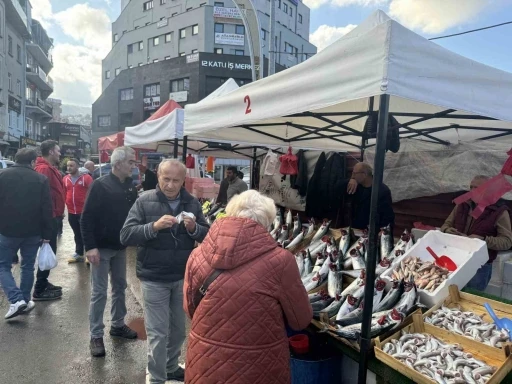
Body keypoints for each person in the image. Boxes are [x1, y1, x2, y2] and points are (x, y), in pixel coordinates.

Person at [183, 190, 312, 384]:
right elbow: (300, 320)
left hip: (206, 362)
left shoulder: (197, 254)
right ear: (267, 221)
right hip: (260, 365)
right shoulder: (281, 260)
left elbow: (190, 309)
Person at [121, 159, 209, 384]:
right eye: (166, 179)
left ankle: (170, 367)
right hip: (153, 277)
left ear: (183, 181)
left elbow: (207, 235)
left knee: (179, 330)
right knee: (158, 333)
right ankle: (157, 378)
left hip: (181, 277)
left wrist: (193, 228)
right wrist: (154, 227)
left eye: (175, 180)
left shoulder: (191, 202)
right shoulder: (144, 201)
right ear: (158, 177)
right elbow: (126, 235)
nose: (170, 185)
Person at [81, 147, 139, 357]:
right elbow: (86, 218)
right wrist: (90, 247)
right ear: (117, 164)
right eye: (131, 162)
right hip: (101, 248)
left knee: (120, 287)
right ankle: (96, 334)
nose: (134, 166)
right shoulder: (100, 185)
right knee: (99, 292)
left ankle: (117, 325)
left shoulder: (130, 186)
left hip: (120, 247)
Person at [0, 149, 53, 319]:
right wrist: (47, 233)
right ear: (32, 162)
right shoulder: (41, 179)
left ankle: (16, 300)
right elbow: (47, 209)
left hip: (7, 230)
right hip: (33, 232)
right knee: (27, 266)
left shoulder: (2, 175)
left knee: (2, 266)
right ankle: (23, 299)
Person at [441, 175, 512, 291]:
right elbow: (445, 226)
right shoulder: (462, 204)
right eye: (471, 187)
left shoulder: (499, 211)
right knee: (450, 293)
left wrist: (483, 240)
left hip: (480, 266)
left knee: (473, 297)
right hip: (457, 259)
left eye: (477, 188)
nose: (473, 191)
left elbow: (507, 241)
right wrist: (448, 231)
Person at [33, 140, 65, 301]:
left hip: (53, 216)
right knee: (47, 251)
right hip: (49, 218)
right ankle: (39, 289)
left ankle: (43, 282)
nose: (60, 153)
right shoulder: (44, 168)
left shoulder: (48, 168)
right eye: (58, 151)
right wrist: (50, 217)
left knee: (49, 251)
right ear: (51, 152)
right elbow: (41, 197)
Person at [345, 162, 395, 231]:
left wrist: (383, 230)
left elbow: (387, 215)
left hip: (373, 232)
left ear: (364, 174)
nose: (352, 176)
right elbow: (336, 187)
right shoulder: (356, 186)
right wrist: (350, 180)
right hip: (356, 229)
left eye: (354, 173)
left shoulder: (382, 190)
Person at [63, 158, 93, 263]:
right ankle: (79, 253)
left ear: (77, 166)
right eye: (68, 166)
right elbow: (64, 193)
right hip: (71, 212)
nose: (69, 168)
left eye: (72, 165)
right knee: (77, 233)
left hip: (83, 212)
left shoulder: (86, 178)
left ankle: (89, 254)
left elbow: (92, 193)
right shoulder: (66, 179)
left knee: (86, 233)